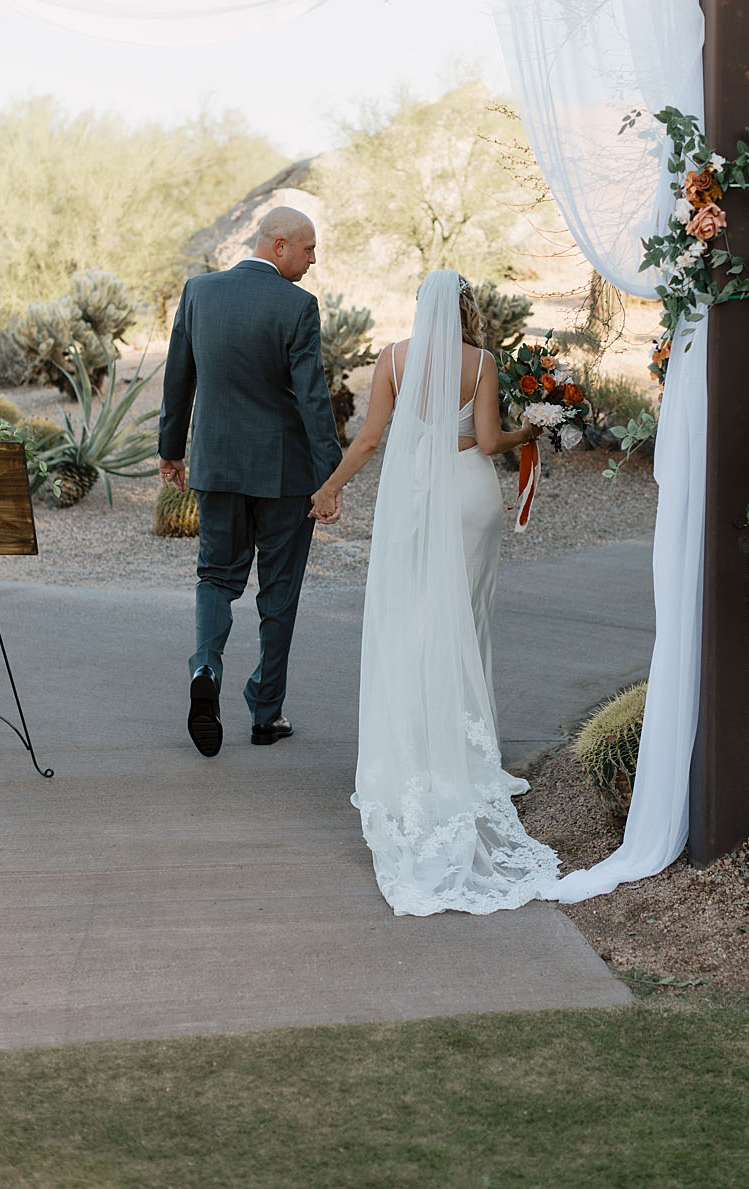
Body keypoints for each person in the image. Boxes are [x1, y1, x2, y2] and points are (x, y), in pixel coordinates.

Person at [312, 269, 558, 916]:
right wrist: (530, 433)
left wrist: (331, 487)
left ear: (421, 307)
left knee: (410, 619)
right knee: (466, 618)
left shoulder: (392, 358)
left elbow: (369, 439)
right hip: (470, 494)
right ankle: (464, 754)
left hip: (415, 496)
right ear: (469, 309)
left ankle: (413, 750)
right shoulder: (481, 362)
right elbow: (485, 442)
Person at [158, 206, 343, 756]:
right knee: (279, 592)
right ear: (279, 245)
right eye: (308, 249)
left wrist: (172, 452)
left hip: (217, 465)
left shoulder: (198, 292)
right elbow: (313, 398)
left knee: (216, 576)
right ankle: (267, 713)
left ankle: (206, 670)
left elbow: (178, 378)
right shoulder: (298, 306)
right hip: (285, 474)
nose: (314, 260)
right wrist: (332, 476)